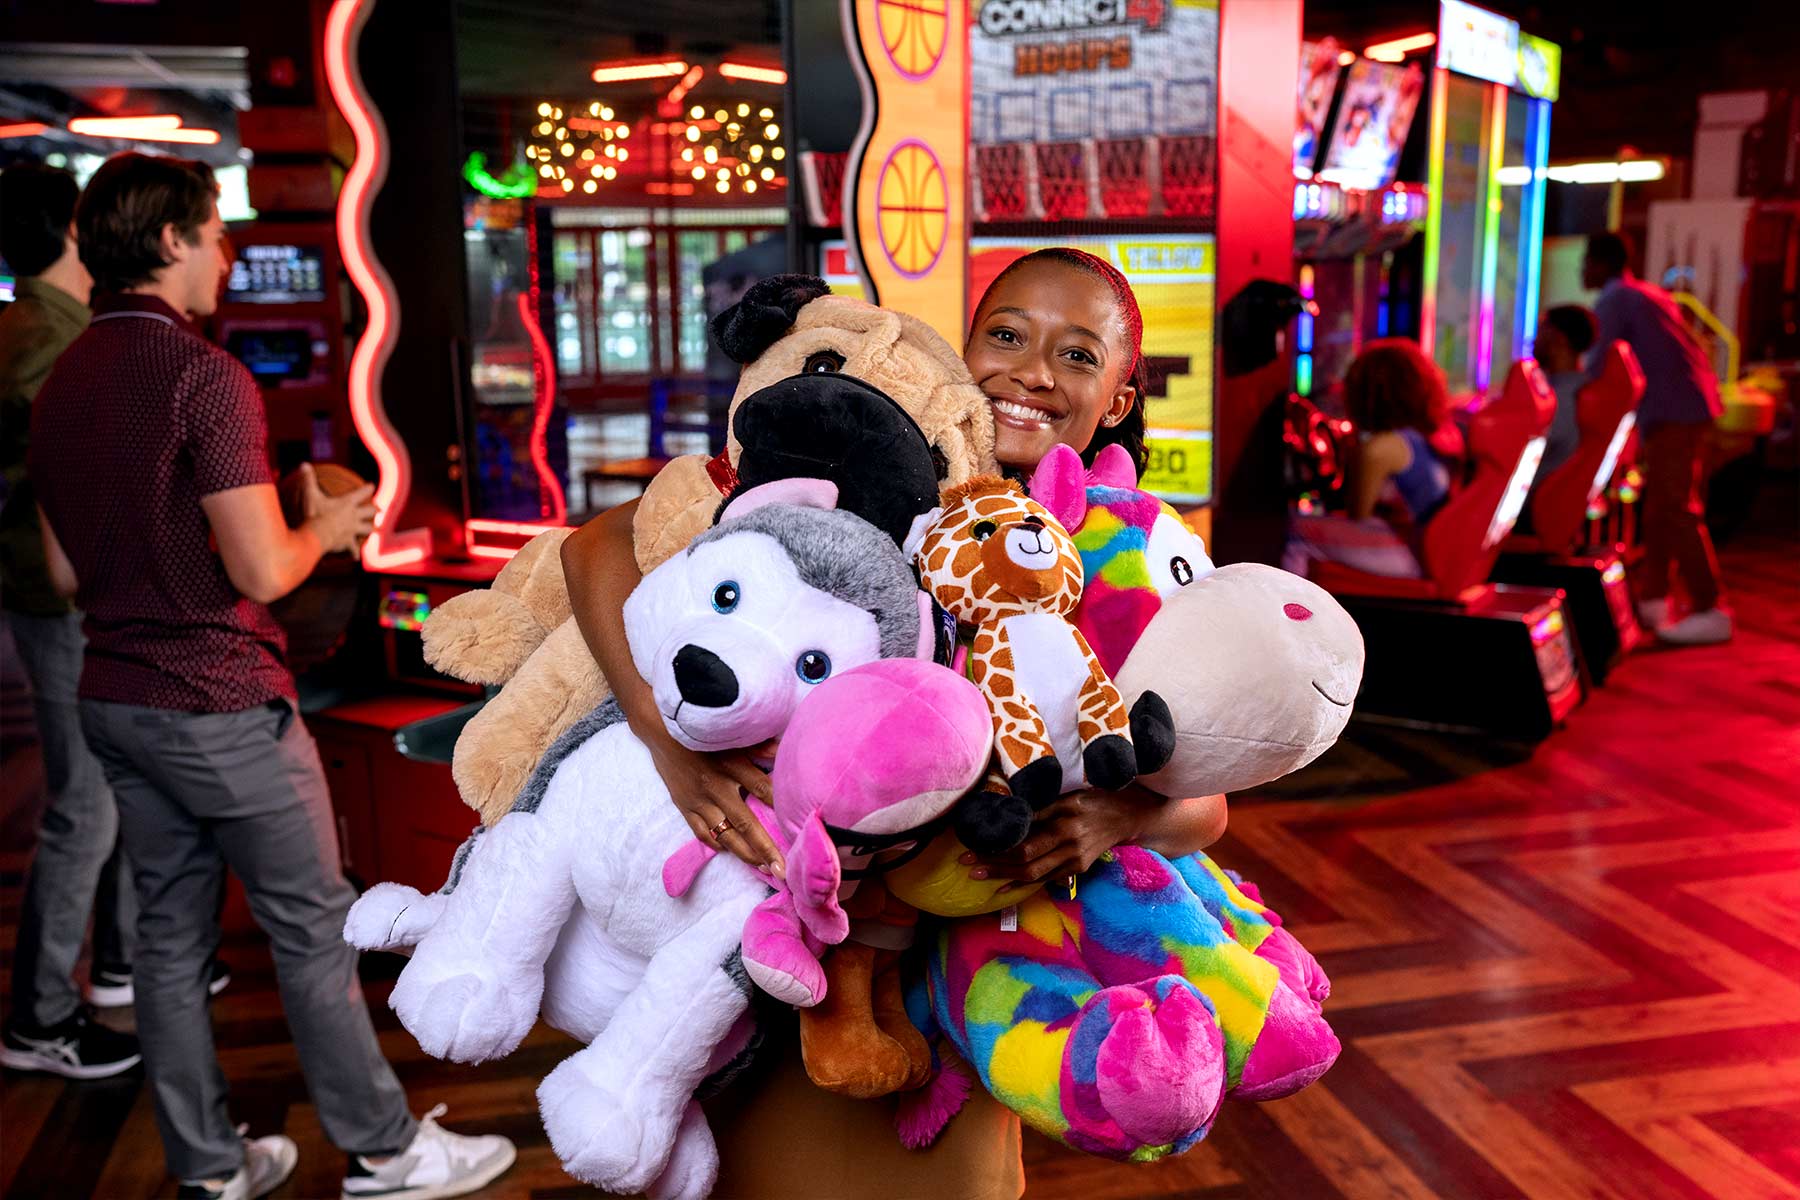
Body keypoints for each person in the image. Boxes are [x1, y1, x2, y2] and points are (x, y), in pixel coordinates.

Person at [559, 247, 1227, 1199]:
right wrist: (669, 748)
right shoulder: (875, 467)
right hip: (795, 952)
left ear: (1117, 398)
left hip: (967, 973)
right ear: (963, 352)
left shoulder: (1125, 554)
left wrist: (1123, 820)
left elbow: (1209, 807)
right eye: (1006, 335)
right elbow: (599, 547)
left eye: (1079, 356)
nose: (1033, 372)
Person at [29, 152, 515, 1200]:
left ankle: (210, 1166)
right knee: (312, 926)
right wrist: (322, 525)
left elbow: (64, 570)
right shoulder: (204, 377)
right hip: (220, 700)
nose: (227, 254)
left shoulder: (63, 381)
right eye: (213, 233)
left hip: (112, 695)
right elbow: (261, 568)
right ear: (170, 243)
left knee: (164, 940)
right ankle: (386, 1151)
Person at [0, 161, 147, 1078]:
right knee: (83, 810)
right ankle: (38, 1019)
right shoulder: (45, 334)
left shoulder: (41, 326)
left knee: (109, 788)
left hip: (57, 592)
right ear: (72, 226)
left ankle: (120, 968)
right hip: (59, 597)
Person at [1582, 231, 1730, 645]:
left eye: (1586, 261)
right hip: (1688, 407)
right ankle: (1654, 597)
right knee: (1662, 508)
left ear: (1601, 263)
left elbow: (1596, 364)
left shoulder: (1615, 299)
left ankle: (1711, 606)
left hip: (1673, 411)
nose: (1581, 270)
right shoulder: (1646, 294)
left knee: (1676, 506)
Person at [1283, 338, 1463, 579]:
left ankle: (1285, 614)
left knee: (1297, 530)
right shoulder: (1436, 433)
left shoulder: (1381, 448)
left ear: (1368, 392)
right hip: (1436, 550)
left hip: (1413, 554)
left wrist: (1354, 453)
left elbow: (1357, 513)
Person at [1530, 304, 1600, 488]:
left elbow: (1514, 448)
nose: (1533, 340)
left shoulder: (1558, 401)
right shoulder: (1582, 387)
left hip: (1530, 504)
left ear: (1558, 339)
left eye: (1540, 331)